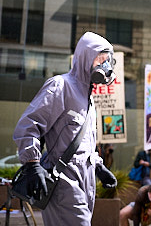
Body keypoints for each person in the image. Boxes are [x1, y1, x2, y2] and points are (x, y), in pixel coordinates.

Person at [13, 32, 117, 226]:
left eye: (107, 60)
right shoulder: (61, 86)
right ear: (85, 57)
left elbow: (83, 143)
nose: (104, 65)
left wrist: (98, 166)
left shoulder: (88, 98)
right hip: (64, 181)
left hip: (86, 183)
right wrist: (32, 163)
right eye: (100, 59)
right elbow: (29, 125)